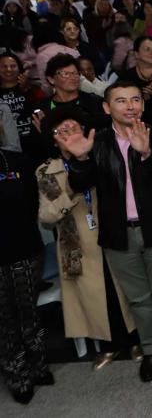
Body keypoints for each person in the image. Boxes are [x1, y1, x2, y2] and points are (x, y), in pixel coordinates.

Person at [59, 80, 152, 383]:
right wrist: (80, 159)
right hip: (119, 233)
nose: (130, 106)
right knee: (139, 298)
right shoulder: (98, 142)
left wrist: (147, 154)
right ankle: (151, 349)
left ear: (143, 105)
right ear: (106, 107)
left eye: (135, 100)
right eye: (121, 101)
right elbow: (79, 185)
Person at [36, 107, 141, 371]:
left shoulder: (103, 155)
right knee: (93, 296)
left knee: (125, 290)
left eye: (75, 128)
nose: (71, 134)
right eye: (63, 130)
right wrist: (72, 187)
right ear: (54, 138)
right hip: (77, 245)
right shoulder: (48, 171)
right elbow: (47, 216)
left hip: (113, 232)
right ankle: (108, 347)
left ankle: (137, 340)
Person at [0, 144, 52, 404]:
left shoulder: (18, 162)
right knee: (5, 323)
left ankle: (39, 366)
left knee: (29, 314)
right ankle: (18, 377)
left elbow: (34, 203)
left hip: (26, 251)